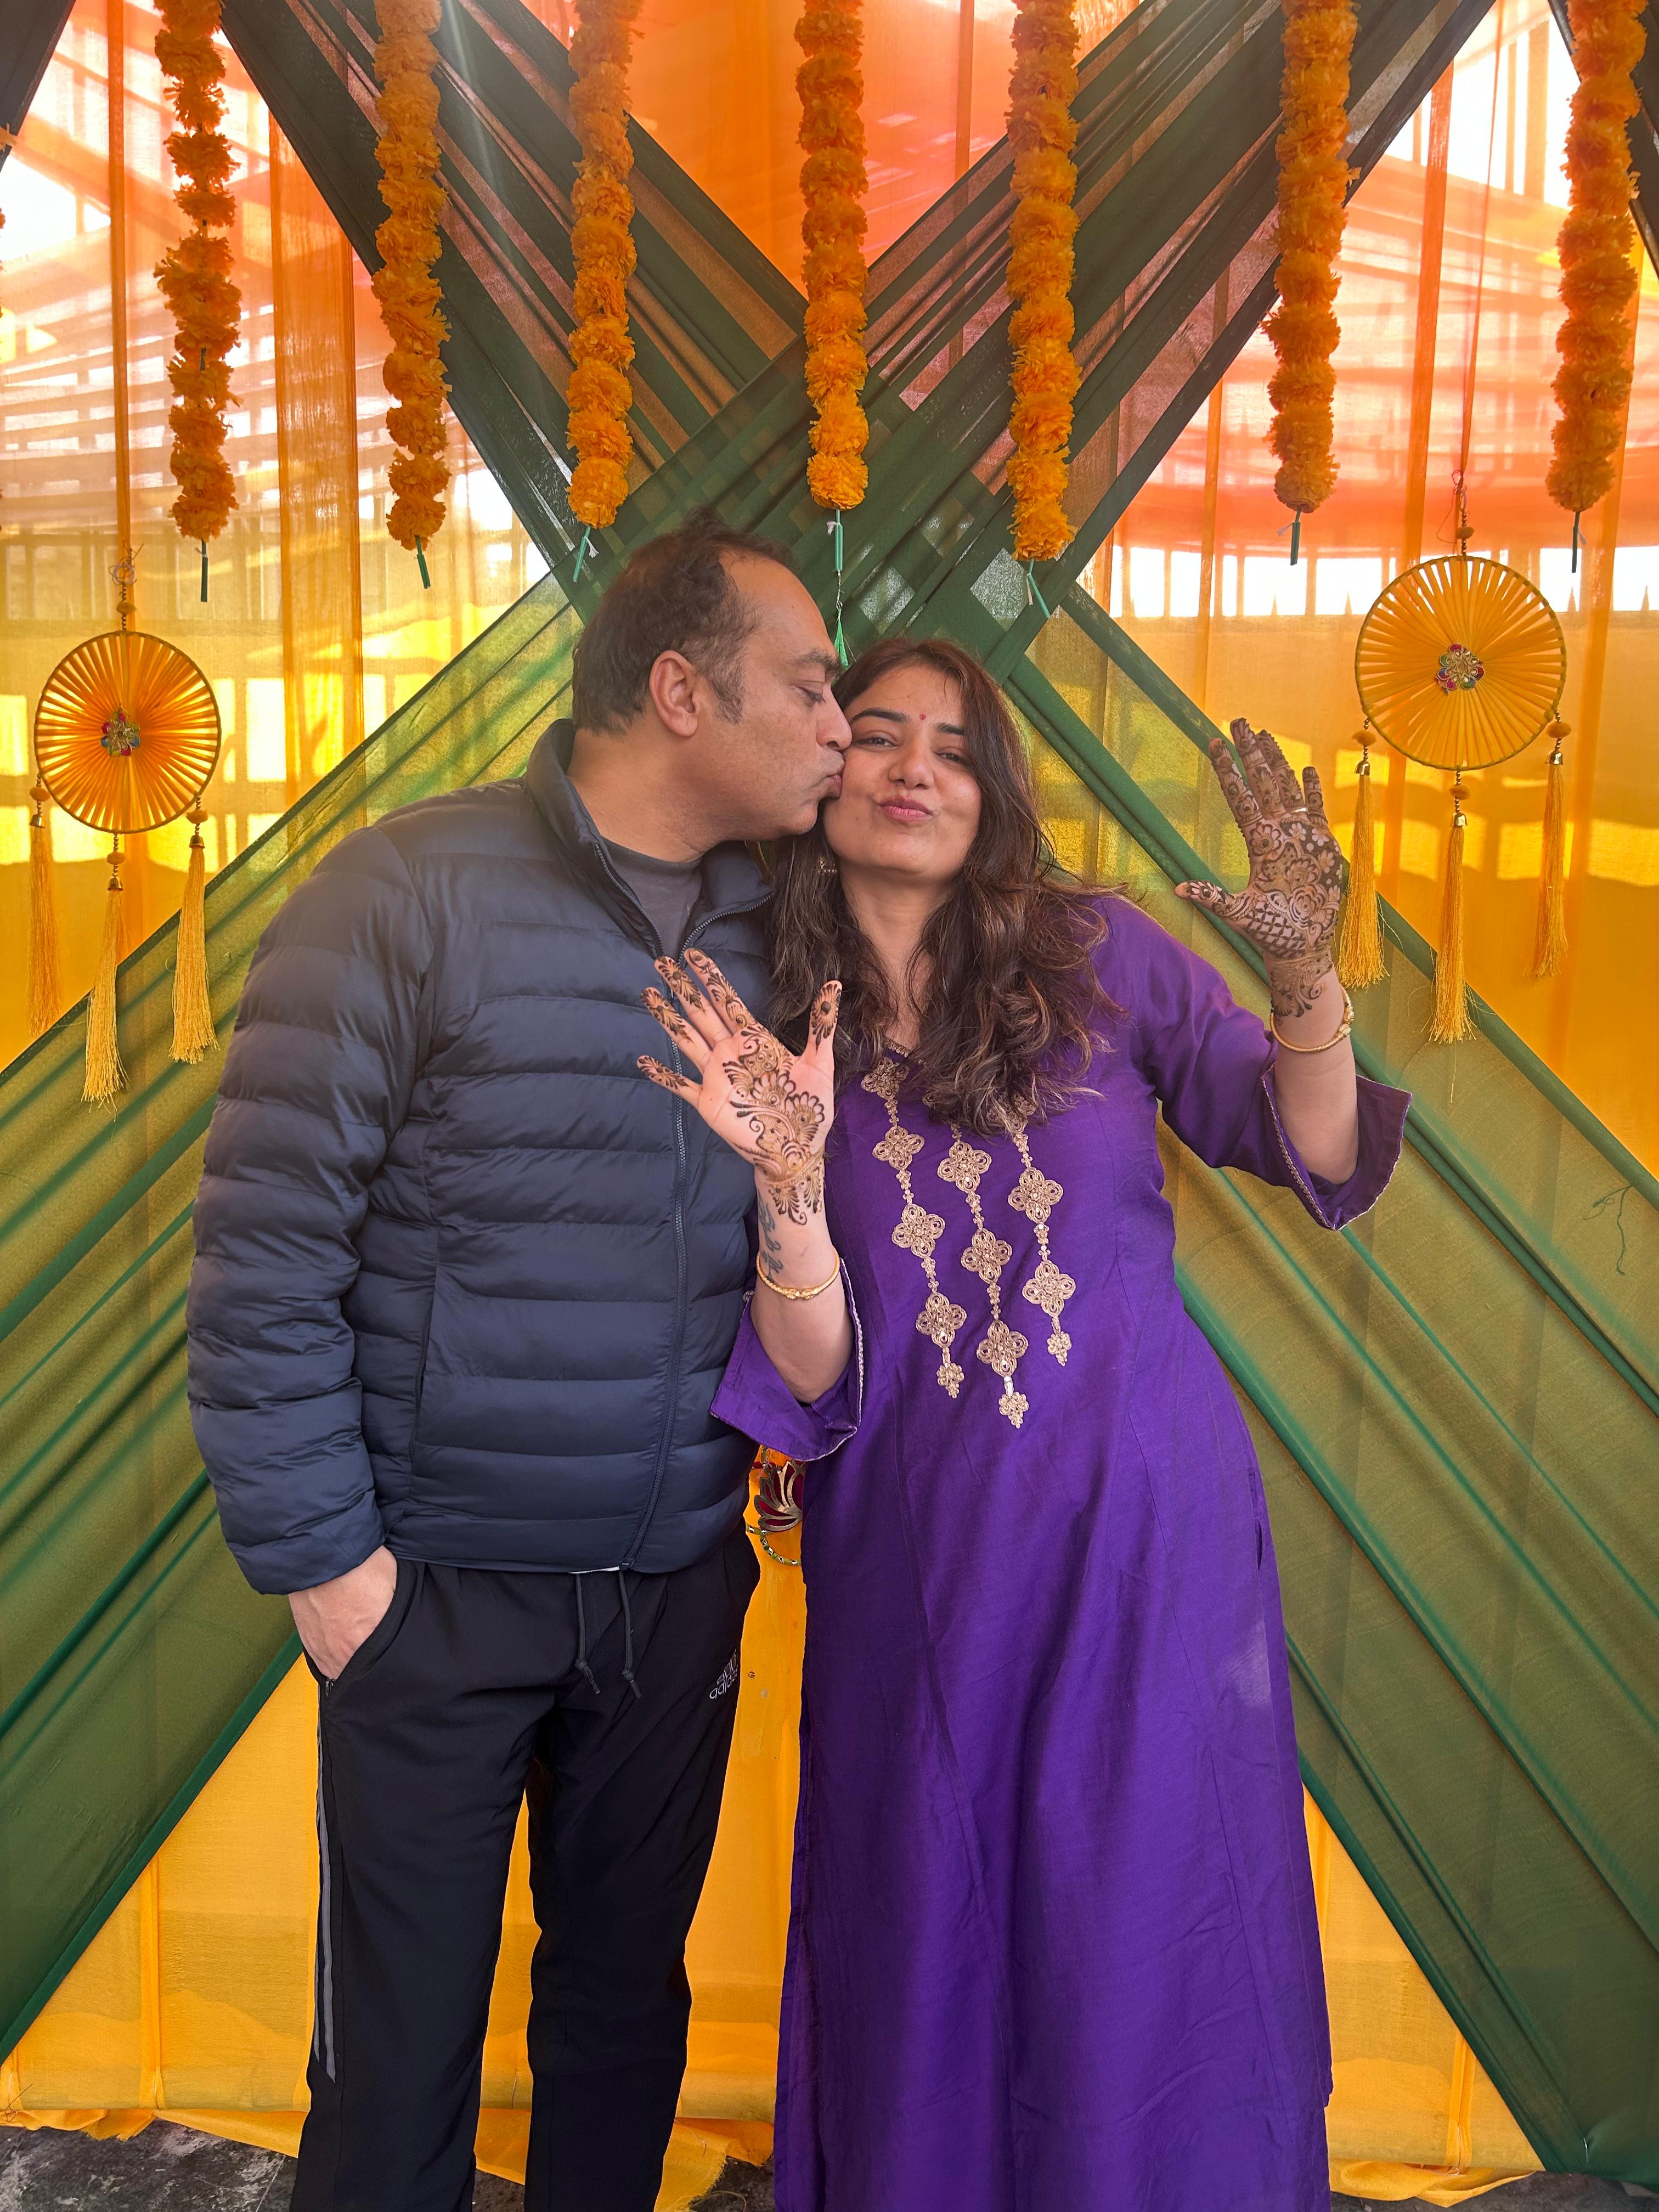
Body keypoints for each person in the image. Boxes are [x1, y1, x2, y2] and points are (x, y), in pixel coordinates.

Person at [637, 636, 1410, 2212]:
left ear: (993, 791)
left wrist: (1307, 977)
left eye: (953, 746)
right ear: (824, 771)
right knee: (923, 1905)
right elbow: (808, 1373)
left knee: (1146, 1902)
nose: (914, 769)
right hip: (914, 1554)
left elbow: (1316, 1146)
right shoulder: (768, 1007)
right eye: (876, 734)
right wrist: (789, 1182)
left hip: (1144, 1531)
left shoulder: (1100, 955)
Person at [185, 513, 851, 2212]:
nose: (840, 727)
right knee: (395, 2066)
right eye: (808, 685)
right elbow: (266, 1255)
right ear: (683, 692)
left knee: (622, 2031)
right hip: (435, 1593)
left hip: (674, 1589)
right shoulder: (406, 890)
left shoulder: (793, 935)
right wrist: (335, 1577)